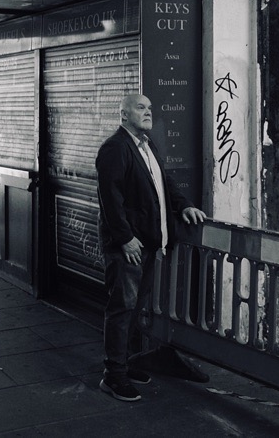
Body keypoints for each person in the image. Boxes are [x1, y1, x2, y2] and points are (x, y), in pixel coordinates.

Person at [95, 92, 206, 402]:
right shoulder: (115, 148)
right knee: (121, 309)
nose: (148, 112)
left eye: (150, 108)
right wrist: (125, 238)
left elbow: (163, 184)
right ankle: (113, 376)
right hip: (128, 246)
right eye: (140, 108)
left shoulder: (146, 145)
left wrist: (184, 205)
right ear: (124, 115)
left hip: (147, 243)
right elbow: (110, 199)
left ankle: (124, 364)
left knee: (134, 308)